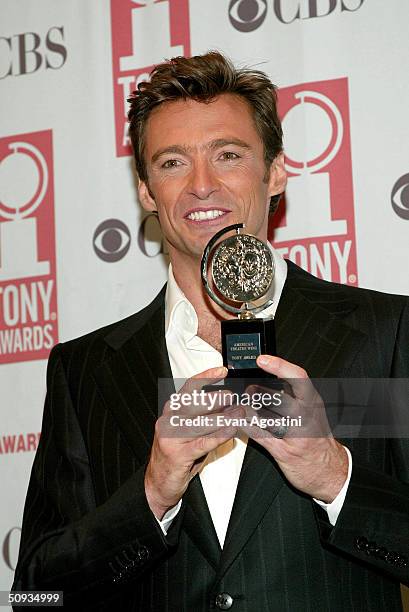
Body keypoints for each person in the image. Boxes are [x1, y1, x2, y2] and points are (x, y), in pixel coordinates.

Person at [13, 51, 409, 611]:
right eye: (173, 162)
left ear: (275, 173)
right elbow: (36, 595)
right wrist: (150, 495)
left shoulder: (381, 333)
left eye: (228, 155)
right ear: (147, 191)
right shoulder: (85, 370)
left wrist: (333, 476)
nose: (203, 185)